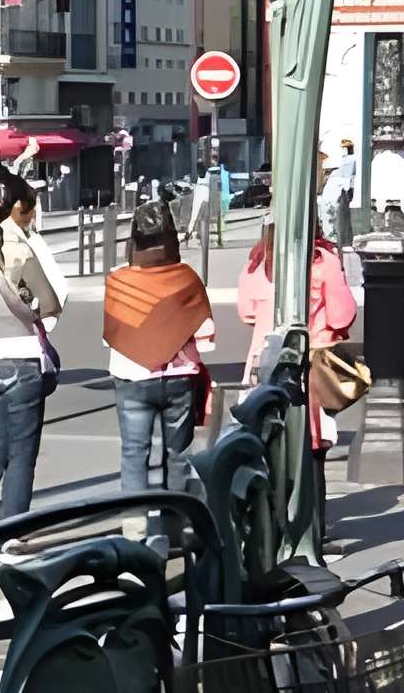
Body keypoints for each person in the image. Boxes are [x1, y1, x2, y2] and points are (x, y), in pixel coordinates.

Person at [102, 201, 215, 507]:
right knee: (178, 455)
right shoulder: (186, 278)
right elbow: (206, 338)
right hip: (180, 378)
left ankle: (136, 526)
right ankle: (177, 516)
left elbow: (112, 338)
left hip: (131, 377)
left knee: (133, 454)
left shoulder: (118, 281)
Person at [0, 175, 65, 530]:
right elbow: (51, 302)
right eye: (29, 209)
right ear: (17, 208)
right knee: (22, 454)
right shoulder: (19, 248)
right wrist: (30, 310)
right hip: (22, 355)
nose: (32, 216)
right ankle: (10, 532)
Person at [235, 221, 358, 459]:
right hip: (312, 358)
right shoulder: (324, 261)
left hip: (262, 356)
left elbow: (247, 312)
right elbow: (341, 316)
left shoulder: (257, 262)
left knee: (264, 428)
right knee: (312, 439)